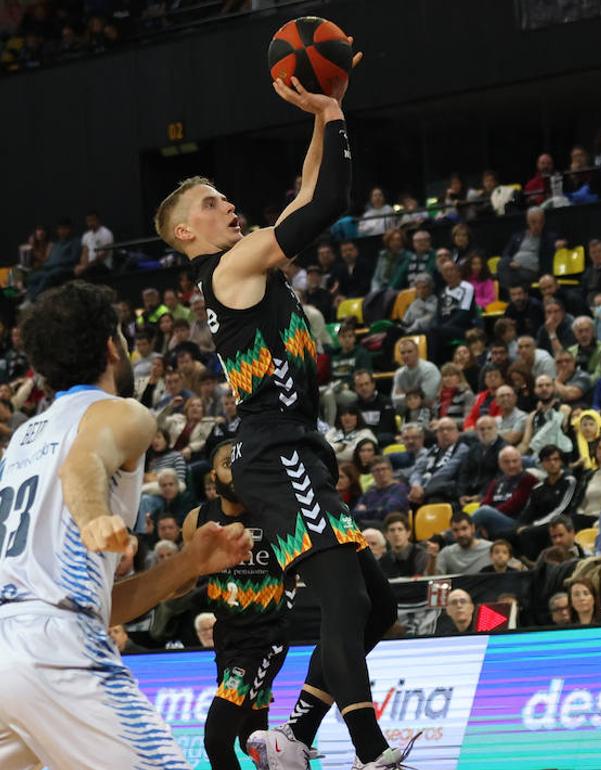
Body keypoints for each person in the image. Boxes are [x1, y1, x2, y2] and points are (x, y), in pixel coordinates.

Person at [153, 57, 415, 769]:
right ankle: (368, 748)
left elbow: (305, 188)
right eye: (209, 202)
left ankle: (293, 735)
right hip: (274, 451)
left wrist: (316, 113)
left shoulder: (245, 265)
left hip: (296, 445)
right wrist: (332, 116)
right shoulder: (230, 269)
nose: (226, 204)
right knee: (341, 599)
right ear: (185, 233)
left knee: (376, 605)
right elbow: (324, 204)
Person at [0, 281, 254, 769]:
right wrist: (95, 516)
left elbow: (98, 607)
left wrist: (189, 564)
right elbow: (84, 463)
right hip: (55, 649)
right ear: (112, 347)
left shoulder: (24, 439)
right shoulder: (122, 413)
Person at [183, 442, 293, 770]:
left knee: (216, 739)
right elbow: (185, 580)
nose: (238, 466)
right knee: (253, 741)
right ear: (213, 474)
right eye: (229, 461)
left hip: (264, 637)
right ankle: (289, 757)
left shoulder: (275, 512)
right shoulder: (198, 519)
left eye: (244, 460)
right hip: (226, 636)